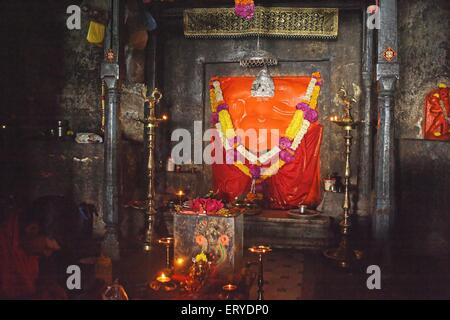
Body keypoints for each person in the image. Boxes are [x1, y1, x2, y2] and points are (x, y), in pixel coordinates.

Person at [0, 195, 82, 299]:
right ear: (32, 229)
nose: (47, 254)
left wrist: (46, 287)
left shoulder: (30, 244)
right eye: (46, 248)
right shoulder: (4, 244)